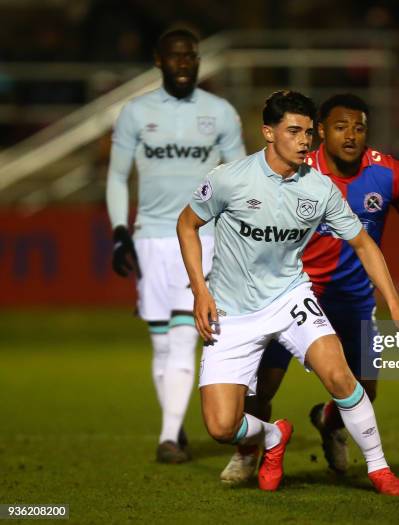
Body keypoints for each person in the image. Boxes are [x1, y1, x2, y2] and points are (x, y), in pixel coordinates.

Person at [177, 90, 399, 495]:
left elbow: (363, 243)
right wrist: (200, 290)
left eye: (308, 132)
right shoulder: (229, 179)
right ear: (268, 133)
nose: (305, 141)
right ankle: (272, 436)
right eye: (294, 131)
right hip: (231, 312)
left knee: (341, 376)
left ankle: (379, 467)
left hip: (290, 298)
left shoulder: (319, 189)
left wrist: (394, 302)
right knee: (220, 427)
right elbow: (187, 225)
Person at [220, 93, 399, 483]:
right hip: (292, 292)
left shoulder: (388, 174)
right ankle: (247, 452)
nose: (351, 136)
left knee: (364, 391)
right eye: (340, 127)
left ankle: (329, 422)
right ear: (322, 131)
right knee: (264, 383)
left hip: (354, 297)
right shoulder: (296, 169)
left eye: (359, 128)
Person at [105, 28, 246, 462]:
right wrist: (118, 232)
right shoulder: (135, 112)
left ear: (199, 61)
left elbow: (240, 176)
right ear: (158, 60)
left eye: (191, 57)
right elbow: (115, 176)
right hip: (150, 238)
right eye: (176, 56)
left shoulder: (220, 112)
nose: (184, 63)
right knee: (162, 342)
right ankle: (174, 419)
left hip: (201, 237)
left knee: (186, 336)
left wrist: (237, 231)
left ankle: (167, 436)